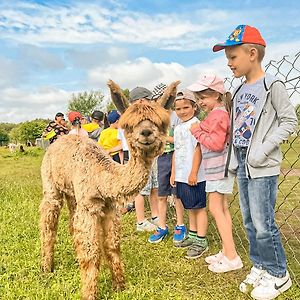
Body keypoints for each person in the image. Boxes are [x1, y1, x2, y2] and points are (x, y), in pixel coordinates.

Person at [212, 24, 297, 299]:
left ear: (252, 53)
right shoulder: (238, 92)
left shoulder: (272, 86)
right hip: (243, 165)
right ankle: (260, 265)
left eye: (232, 57)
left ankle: (278, 274)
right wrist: (236, 160)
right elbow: (238, 128)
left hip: (262, 164)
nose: (229, 64)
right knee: (249, 221)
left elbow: (289, 121)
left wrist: (262, 148)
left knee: (264, 223)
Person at [188, 74, 243, 272]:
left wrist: (197, 131)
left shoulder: (219, 115)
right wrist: (201, 128)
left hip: (220, 169)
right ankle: (227, 249)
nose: (200, 102)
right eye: (198, 98)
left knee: (215, 209)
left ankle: (232, 257)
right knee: (222, 209)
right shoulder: (215, 115)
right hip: (217, 170)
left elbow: (217, 144)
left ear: (216, 95)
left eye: (203, 97)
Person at [170, 89, 208, 259]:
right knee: (190, 206)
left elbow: (198, 149)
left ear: (194, 107)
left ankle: (201, 240)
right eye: (178, 109)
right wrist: (173, 173)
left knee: (198, 207)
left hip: (194, 175)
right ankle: (193, 235)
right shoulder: (178, 128)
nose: (182, 111)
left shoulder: (196, 125)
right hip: (181, 174)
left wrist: (193, 172)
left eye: (186, 107)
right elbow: (176, 151)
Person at [148, 83, 186, 244]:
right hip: (162, 158)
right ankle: (162, 226)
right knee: (162, 194)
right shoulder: (156, 120)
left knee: (177, 194)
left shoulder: (176, 117)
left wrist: (162, 138)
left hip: (177, 156)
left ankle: (180, 224)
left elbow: (180, 139)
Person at [129, 87, 159, 232]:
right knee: (140, 189)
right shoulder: (133, 116)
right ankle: (140, 221)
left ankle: (155, 215)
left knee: (154, 186)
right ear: (141, 100)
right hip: (140, 156)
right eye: (150, 99)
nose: (152, 102)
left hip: (152, 155)